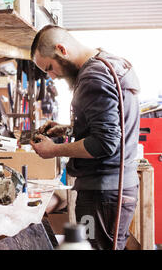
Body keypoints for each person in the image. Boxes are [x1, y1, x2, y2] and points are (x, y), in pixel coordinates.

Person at [29, 25, 141, 250]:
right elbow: (110, 124)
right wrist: (69, 129)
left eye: (50, 68)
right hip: (112, 189)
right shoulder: (111, 63)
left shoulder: (92, 78)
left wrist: (54, 150)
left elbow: (105, 142)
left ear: (62, 49)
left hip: (102, 193)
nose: (51, 76)